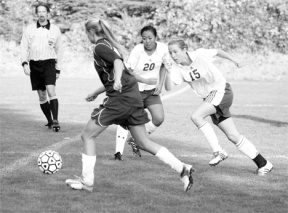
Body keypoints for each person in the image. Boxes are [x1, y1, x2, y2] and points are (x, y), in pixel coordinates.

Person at [65, 19, 194, 192]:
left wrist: (117, 80)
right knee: (142, 142)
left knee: (87, 136)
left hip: (120, 99)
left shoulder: (99, 47)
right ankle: (183, 168)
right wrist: (97, 91)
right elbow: (120, 74)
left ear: (90, 32)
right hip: (132, 95)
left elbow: (118, 65)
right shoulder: (110, 45)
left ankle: (87, 182)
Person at [164, 38, 273, 176]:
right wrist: (167, 72)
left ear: (185, 49)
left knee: (196, 116)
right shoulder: (177, 69)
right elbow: (168, 88)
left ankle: (218, 151)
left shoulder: (200, 54)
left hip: (221, 91)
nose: (173, 55)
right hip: (211, 98)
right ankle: (264, 164)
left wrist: (235, 60)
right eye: (170, 53)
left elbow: (218, 52)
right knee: (233, 136)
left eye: (175, 51)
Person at [114, 25, 170, 160]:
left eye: (150, 38)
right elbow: (128, 71)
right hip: (134, 91)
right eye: (144, 38)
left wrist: (160, 85)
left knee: (159, 118)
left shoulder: (163, 48)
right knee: (125, 120)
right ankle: (118, 153)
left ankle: (135, 139)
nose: (147, 41)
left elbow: (164, 65)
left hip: (151, 92)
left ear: (156, 38)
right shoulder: (138, 50)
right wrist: (145, 79)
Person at [20, 2, 63, 132]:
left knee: (51, 91)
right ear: (36, 14)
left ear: (48, 13)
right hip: (34, 64)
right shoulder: (29, 29)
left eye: (44, 11)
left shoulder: (55, 30)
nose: (41, 14)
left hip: (49, 63)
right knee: (42, 95)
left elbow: (60, 49)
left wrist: (58, 68)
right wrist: (24, 63)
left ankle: (55, 120)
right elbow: (23, 47)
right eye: (39, 12)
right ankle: (49, 121)